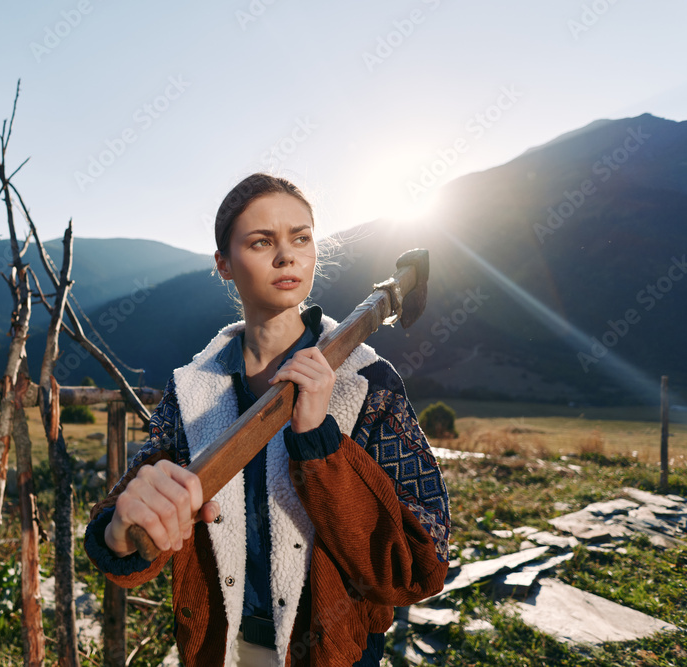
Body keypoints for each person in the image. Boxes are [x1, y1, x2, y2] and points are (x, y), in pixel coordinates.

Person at [84, 173, 450, 666]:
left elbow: (418, 568)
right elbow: (130, 530)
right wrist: (119, 531)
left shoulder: (367, 383)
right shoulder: (192, 389)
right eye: (261, 242)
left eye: (301, 237)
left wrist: (320, 443)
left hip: (335, 654)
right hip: (223, 650)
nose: (287, 256)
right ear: (224, 265)